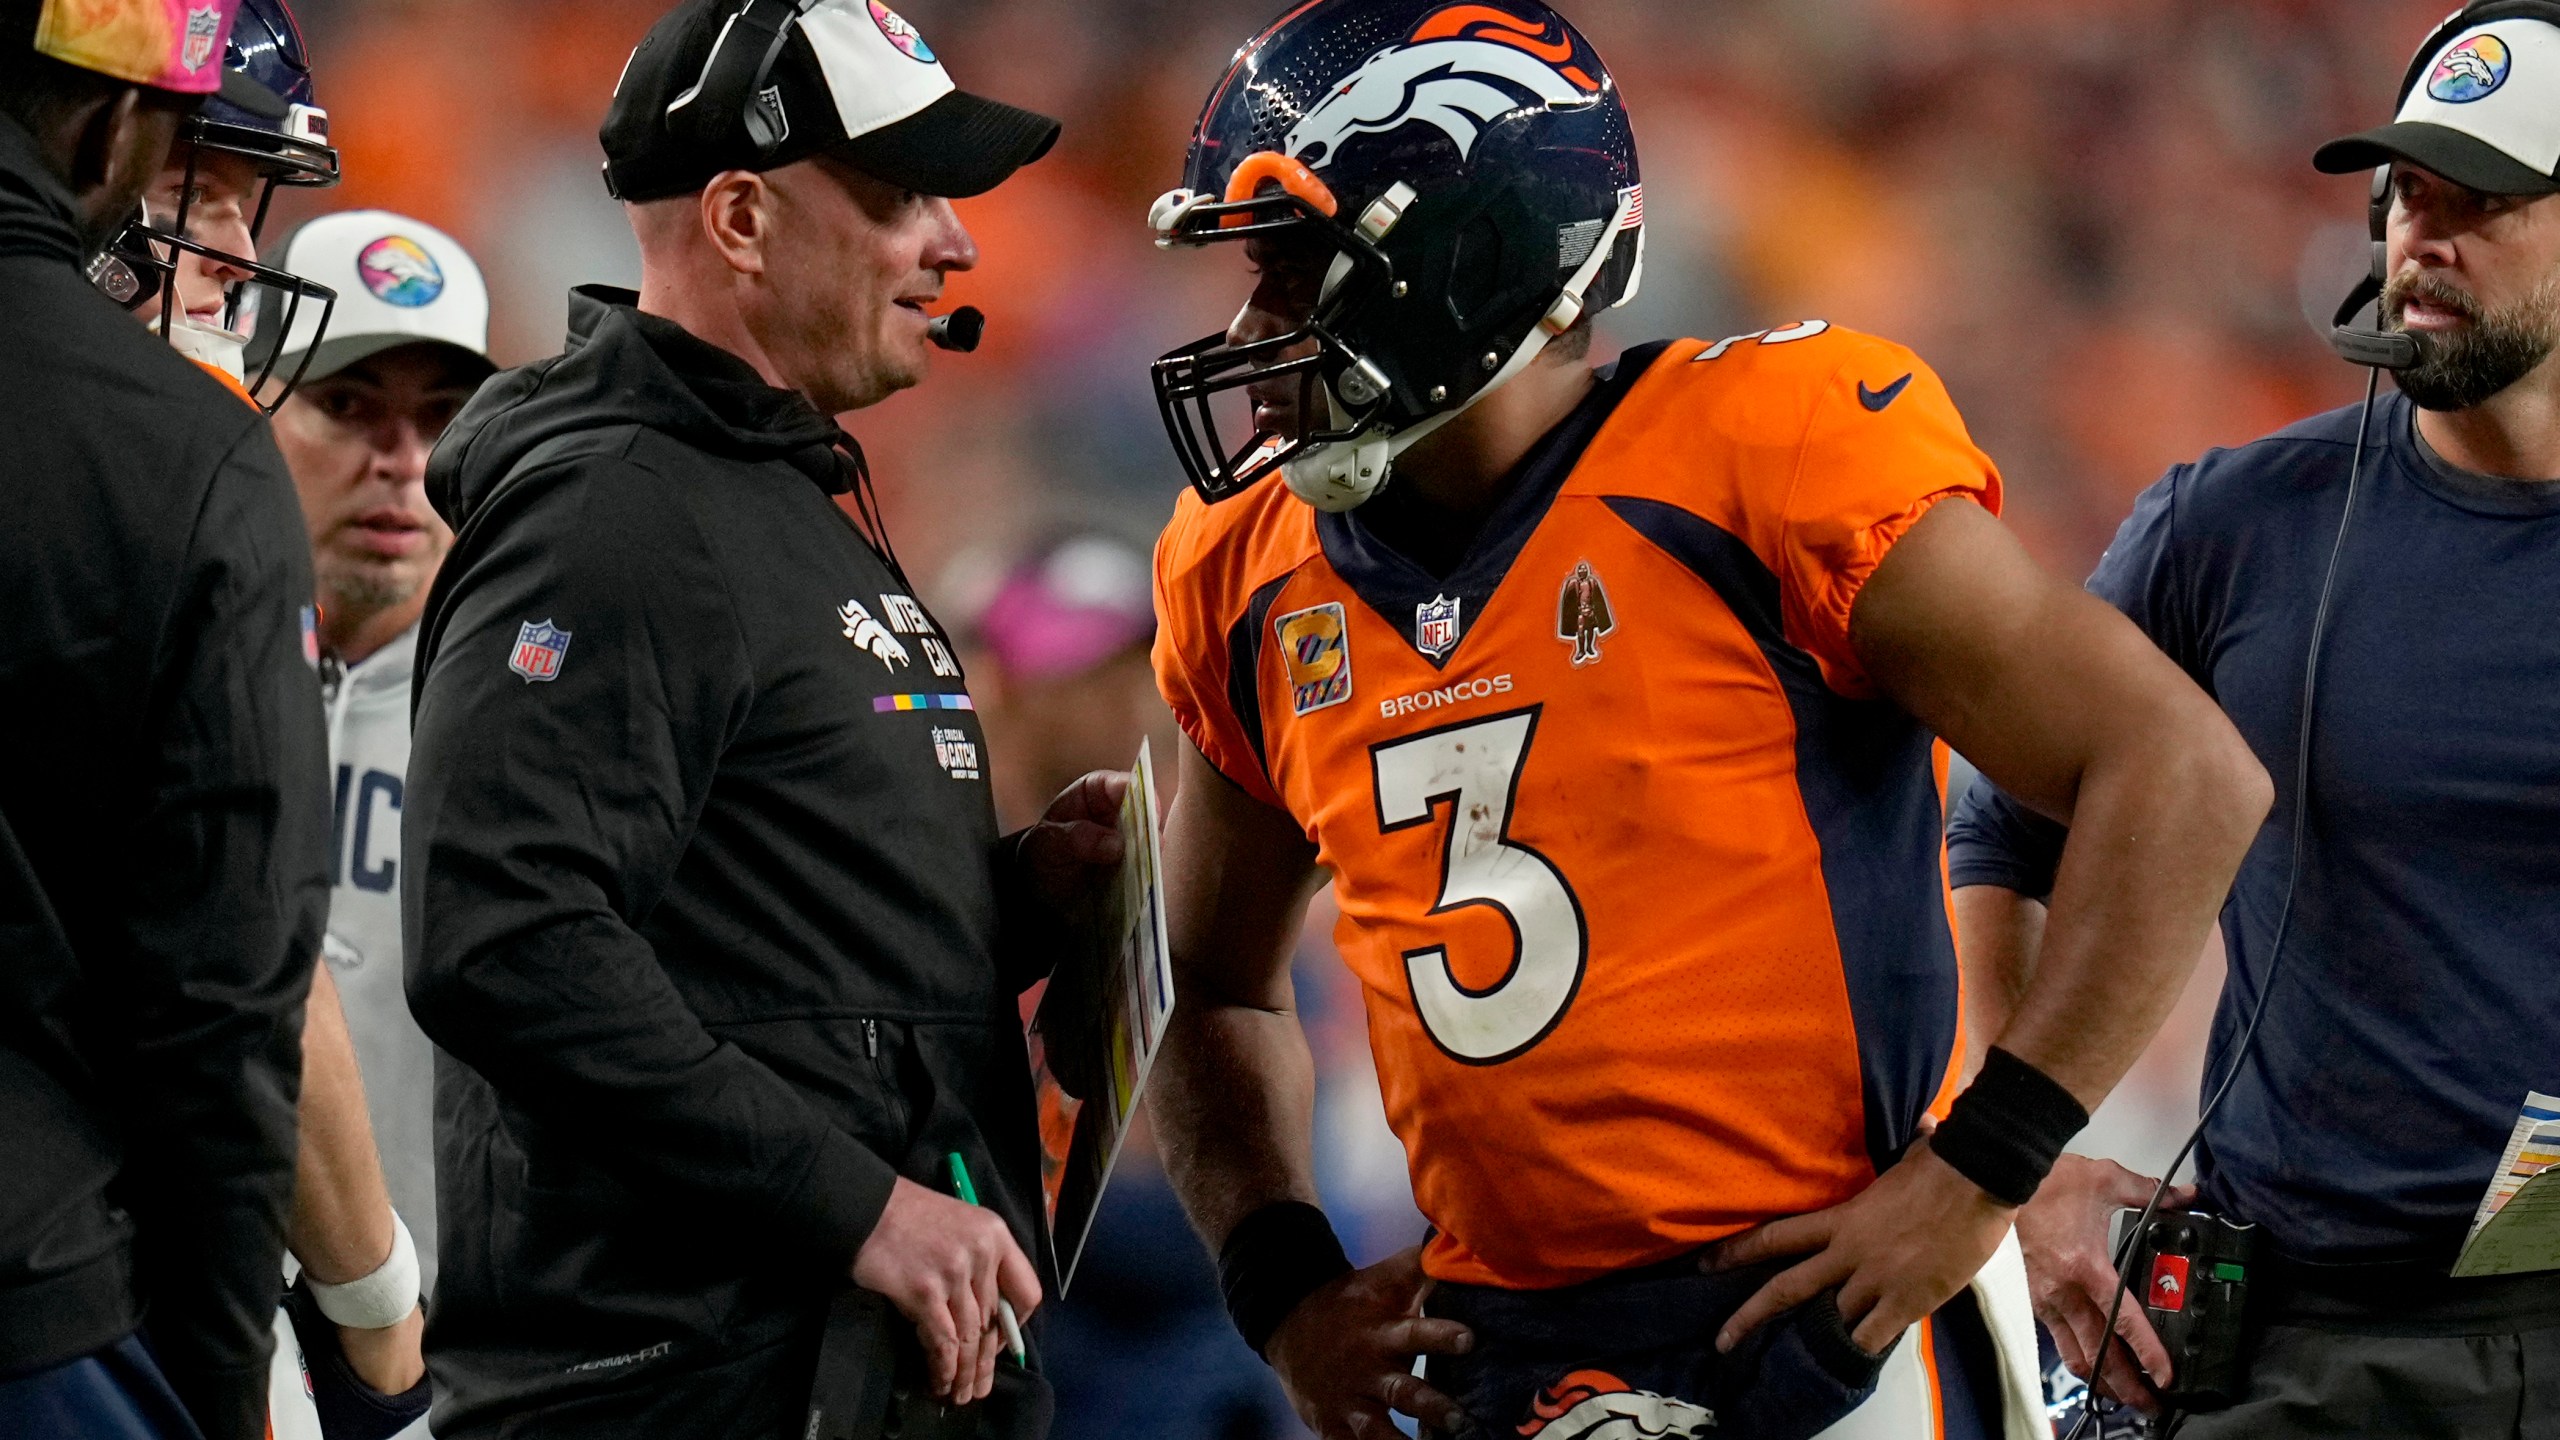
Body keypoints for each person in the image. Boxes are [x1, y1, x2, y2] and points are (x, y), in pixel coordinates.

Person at [1140, 2, 2275, 1438]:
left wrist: (1981, 1168)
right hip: (1495, 1358)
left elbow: (2180, 774)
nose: (1254, 331)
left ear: (1468, 255)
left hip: (1836, 1328)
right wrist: (1281, 1285)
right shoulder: (1244, 568)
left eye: (1298, 272)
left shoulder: (1763, 454)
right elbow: (1211, 988)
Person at [401, 3, 1104, 1437]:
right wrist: (859, 1210)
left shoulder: (766, 491)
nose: (957, 244)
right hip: (688, 1377)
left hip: (818, 1366)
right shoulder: (615, 511)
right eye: (905, 195)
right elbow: (503, 935)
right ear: (737, 217)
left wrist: (1014, 897)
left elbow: (767, 936)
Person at [1952, 6, 2560, 1435]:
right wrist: (2022, 1161)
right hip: (2306, 1343)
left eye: (2480, 200)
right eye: (2408, 191)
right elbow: (1998, 832)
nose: (2421, 236)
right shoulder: (2233, 528)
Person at [0, 3, 331, 1438]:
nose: (242, 259)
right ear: (102, 130)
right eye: (197, 183)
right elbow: (225, 1002)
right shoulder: (183, 467)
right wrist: (229, 1368)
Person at [258, 209, 500, 1440]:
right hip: (221, 1323)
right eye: (349, 407)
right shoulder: (190, 682)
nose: (401, 458)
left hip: (455, 1363)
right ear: (257, 405)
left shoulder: (529, 709)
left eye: (440, 418)